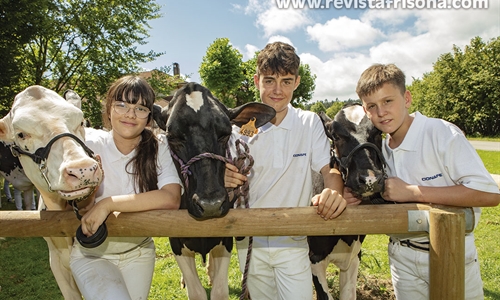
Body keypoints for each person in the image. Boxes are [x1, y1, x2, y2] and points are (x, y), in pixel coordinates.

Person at [354, 63, 500, 300]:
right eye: (372, 106)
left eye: (388, 101)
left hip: (451, 252)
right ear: (365, 110)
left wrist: (413, 192)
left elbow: (488, 194)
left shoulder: (439, 132)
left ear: (407, 98)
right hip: (402, 257)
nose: (381, 112)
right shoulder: (378, 149)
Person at [225, 41, 347, 300]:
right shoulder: (240, 130)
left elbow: (329, 169)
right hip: (250, 243)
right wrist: (223, 176)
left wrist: (334, 192)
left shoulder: (309, 122)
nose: (277, 90)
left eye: (286, 81)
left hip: (293, 242)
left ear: (297, 82)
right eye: (269, 81)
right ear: (257, 80)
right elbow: (226, 177)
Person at [69, 75, 182, 300]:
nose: (130, 114)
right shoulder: (87, 143)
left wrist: (108, 204)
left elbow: (171, 197)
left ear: (149, 116)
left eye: (140, 108)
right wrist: (91, 191)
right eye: (121, 105)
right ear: (109, 108)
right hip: (92, 254)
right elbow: (81, 207)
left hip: (139, 252)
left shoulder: (159, 147)